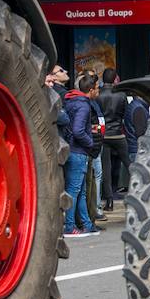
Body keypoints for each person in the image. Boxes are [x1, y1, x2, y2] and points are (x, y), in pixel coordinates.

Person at [63, 74, 102, 237]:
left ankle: (87, 224)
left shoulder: (72, 101)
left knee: (80, 191)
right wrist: (90, 142)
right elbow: (78, 130)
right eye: (97, 89)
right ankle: (70, 226)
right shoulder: (84, 106)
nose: (98, 92)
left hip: (73, 150)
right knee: (74, 190)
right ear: (91, 90)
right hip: (78, 152)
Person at [97, 67, 129, 212]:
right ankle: (139, 190)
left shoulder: (98, 94)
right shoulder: (122, 94)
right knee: (129, 164)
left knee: (106, 169)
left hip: (104, 135)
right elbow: (124, 114)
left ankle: (109, 202)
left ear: (103, 79)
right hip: (118, 134)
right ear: (115, 78)